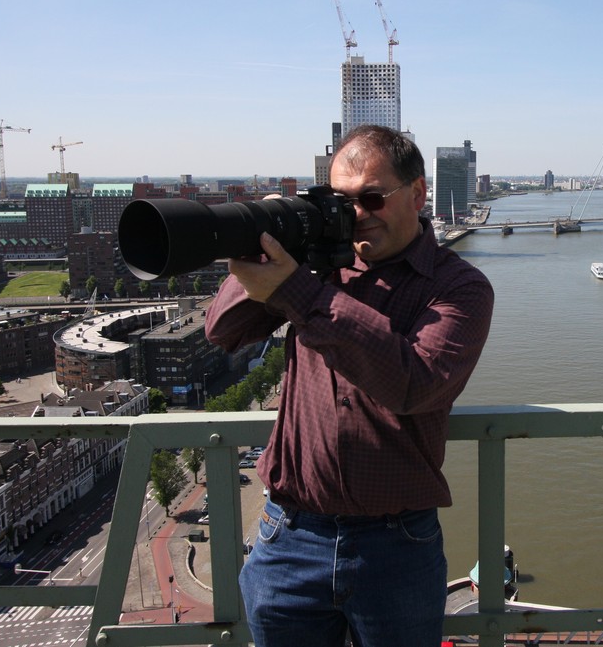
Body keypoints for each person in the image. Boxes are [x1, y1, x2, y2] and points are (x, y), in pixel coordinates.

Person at [205, 124, 494, 646]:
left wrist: (298, 291)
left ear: (418, 193)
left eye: (372, 198)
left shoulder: (459, 287)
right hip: (289, 537)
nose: (355, 213)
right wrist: (264, 243)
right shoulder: (314, 266)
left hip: (396, 546)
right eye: (340, 200)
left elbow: (416, 384)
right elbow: (223, 330)